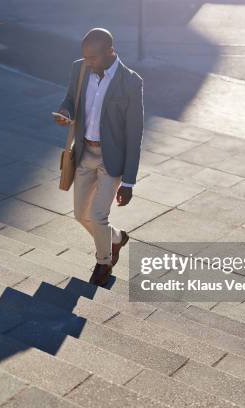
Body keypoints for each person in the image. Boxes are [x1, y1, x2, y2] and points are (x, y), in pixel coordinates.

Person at [54, 28, 144, 287]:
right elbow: (71, 99)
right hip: (84, 153)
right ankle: (116, 238)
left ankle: (104, 262)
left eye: (92, 57)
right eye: (85, 56)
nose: (88, 62)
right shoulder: (79, 69)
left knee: (98, 216)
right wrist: (65, 111)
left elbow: (134, 133)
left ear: (110, 52)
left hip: (111, 159)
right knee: (80, 214)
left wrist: (129, 182)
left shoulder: (130, 82)